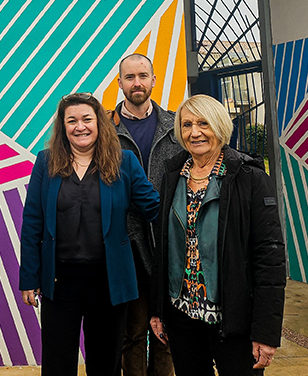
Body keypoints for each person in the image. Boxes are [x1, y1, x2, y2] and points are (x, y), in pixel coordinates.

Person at [19, 92, 161, 376]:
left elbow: (154, 207)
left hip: (109, 281)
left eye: (87, 119)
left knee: (105, 364)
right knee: (57, 365)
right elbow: (33, 221)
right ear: (62, 126)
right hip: (59, 283)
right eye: (71, 121)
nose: (80, 126)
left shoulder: (124, 161)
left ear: (99, 123)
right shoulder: (46, 162)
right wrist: (29, 278)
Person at [149, 95, 286, 375]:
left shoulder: (249, 177)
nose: (194, 132)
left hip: (234, 319)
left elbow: (269, 255)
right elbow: (163, 247)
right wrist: (158, 309)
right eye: (187, 124)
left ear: (220, 126)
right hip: (182, 316)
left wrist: (266, 331)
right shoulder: (173, 175)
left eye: (204, 123)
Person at [112, 54, 182, 376]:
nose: (137, 83)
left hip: (170, 243)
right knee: (134, 332)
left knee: (167, 333)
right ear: (120, 83)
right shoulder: (105, 130)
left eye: (143, 76)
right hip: (128, 244)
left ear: (154, 80)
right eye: (130, 77)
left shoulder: (176, 125)